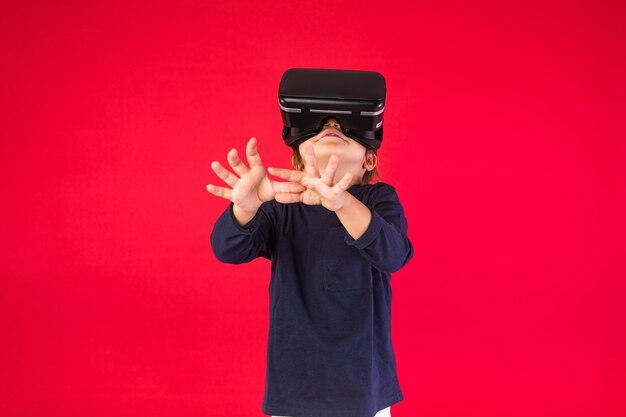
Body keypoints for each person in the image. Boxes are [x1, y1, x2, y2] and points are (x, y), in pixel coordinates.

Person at [206, 117, 414, 417]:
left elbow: (393, 255)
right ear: (299, 159)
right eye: (318, 128)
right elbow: (227, 249)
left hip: (364, 387)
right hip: (294, 388)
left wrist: (341, 202)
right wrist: (245, 208)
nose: (332, 124)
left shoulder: (378, 199)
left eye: (345, 128)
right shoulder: (281, 205)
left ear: (368, 160)